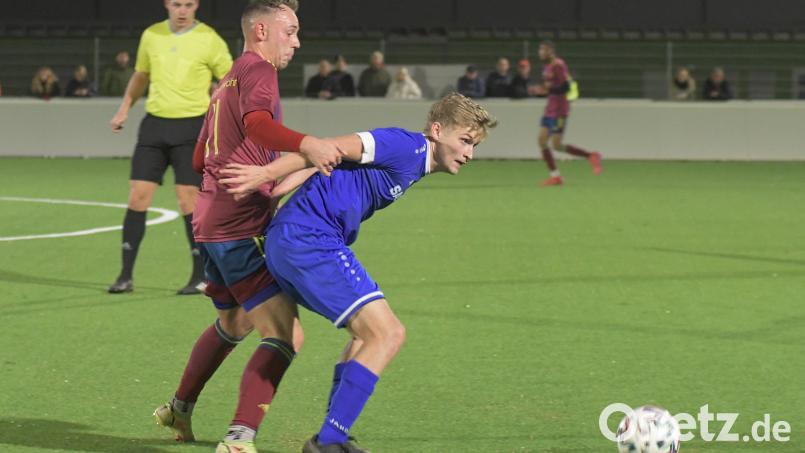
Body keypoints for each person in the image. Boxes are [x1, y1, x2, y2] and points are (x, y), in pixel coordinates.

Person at [219, 93, 497, 453]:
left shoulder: (415, 162)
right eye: (464, 141)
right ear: (437, 130)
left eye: (474, 145)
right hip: (309, 240)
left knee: (365, 337)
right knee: (388, 334)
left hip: (300, 240)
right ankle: (328, 441)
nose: (469, 154)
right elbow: (326, 147)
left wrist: (275, 192)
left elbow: (327, 161)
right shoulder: (407, 145)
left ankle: (334, 438)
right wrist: (267, 174)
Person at [150, 2, 343, 453]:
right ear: (261, 30)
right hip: (238, 227)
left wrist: (277, 172)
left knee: (234, 323)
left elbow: (201, 160)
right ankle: (239, 438)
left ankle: (179, 407)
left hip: (209, 223)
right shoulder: (260, 71)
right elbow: (258, 126)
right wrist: (307, 144)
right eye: (290, 32)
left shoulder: (226, 81)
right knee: (285, 334)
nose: (296, 42)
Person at [106, 0, 234, 295]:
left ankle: (200, 276)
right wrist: (124, 108)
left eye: (188, 4)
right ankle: (125, 276)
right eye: (177, 4)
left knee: (188, 199)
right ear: (167, 4)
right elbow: (141, 75)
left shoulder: (210, 39)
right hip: (154, 126)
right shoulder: (151, 35)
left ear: (196, 5)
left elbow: (229, 80)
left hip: (192, 128)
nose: (182, 10)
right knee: (138, 196)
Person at [532, 41, 602, 186]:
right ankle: (556, 176)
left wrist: (548, 90)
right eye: (540, 50)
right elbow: (551, 87)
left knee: (556, 144)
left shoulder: (558, 65)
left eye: (543, 50)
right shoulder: (547, 67)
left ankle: (591, 156)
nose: (540, 53)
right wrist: (540, 90)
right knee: (542, 141)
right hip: (550, 109)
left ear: (550, 51)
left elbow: (565, 86)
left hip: (559, 111)